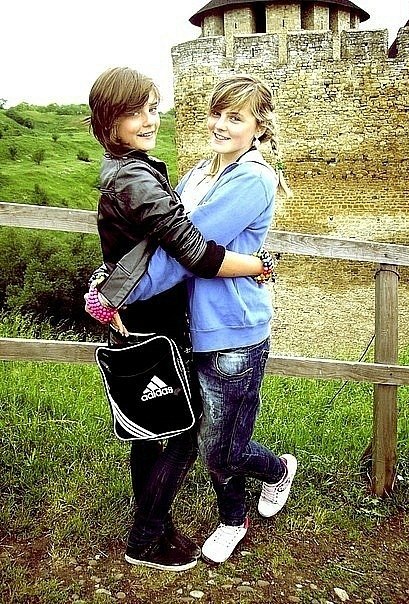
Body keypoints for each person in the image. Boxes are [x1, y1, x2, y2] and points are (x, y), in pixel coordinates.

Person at [85, 66, 275, 572]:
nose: (149, 120)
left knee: (162, 430)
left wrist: (111, 287)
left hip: (165, 320)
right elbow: (192, 252)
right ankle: (148, 537)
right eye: (135, 112)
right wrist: (257, 265)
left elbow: (160, 247)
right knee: (176, 431)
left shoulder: (139, 169)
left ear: (259, 126)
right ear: (108, 120)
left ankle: (155, 529)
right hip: (153, 321)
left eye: (152, 108)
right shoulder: (142, 175)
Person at [126, 74, 298, 565]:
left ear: (258, 127)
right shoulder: (200, 172)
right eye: (216, 113)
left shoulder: (252, 178)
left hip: (231, 330)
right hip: (188, 326)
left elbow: (189, 249)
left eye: (235, 118)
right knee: (208, 436)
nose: (220, 125)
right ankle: (235, 517)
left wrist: (127, 290)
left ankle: (277, 472)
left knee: (222, 447)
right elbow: (163, 235)